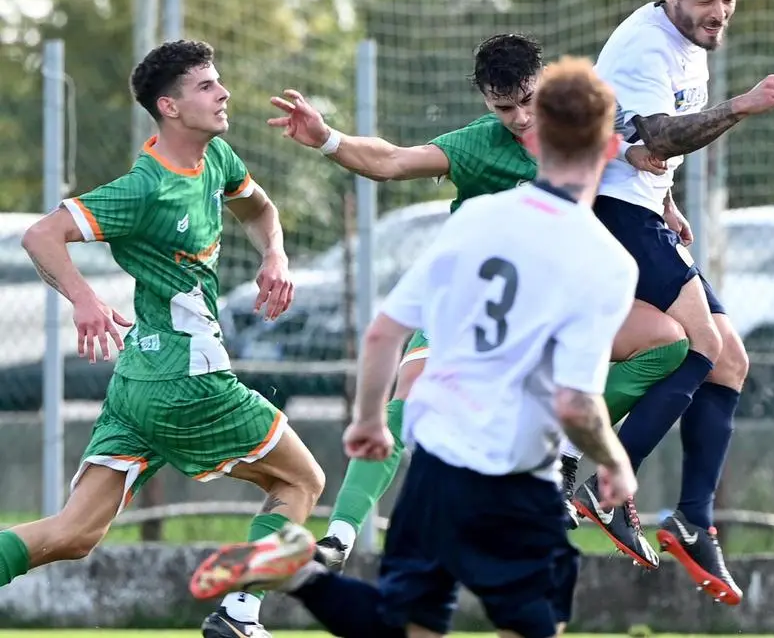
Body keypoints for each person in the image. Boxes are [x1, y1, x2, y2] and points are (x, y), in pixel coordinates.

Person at [190, 59, 641, 638]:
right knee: (532, 627)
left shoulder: (474, 217)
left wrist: (370, 422)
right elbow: (578, 406)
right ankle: (300, 572)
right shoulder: (608, 262)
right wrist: (614, 464)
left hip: (437, 468)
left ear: (538, 137)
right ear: (607, 150)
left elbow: (384, 330)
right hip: (516, 478)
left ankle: (299, 574)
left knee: (402, 623)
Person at [268, 33, 687, 569]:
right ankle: (342, 535)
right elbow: (393, 160)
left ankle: (558, 465)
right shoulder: (478, 149)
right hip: (478, 306)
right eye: (503, 107)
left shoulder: (580, 126)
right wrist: (329, 139)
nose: (518, 118)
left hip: (549, 311)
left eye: (527, 102)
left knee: (668, 344)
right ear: (487, 103)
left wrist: (666, 207)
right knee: (407, 398)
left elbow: (630, 164)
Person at [7, 40, 326, 638]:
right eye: (206, 86)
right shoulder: (143, 188)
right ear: (169, 107)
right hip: (189, 380)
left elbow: (260, 210)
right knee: (302, 481)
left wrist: (275, 257)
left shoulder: (219, 159)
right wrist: (84, 299)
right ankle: (239, 614)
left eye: (218, 81)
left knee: (73, 534)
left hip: (139, 384)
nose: (223, 92)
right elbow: (41, 236)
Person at [567, 0, 774, 604]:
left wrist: (667, 200)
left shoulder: (687, 42)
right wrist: (741, 105)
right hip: (609, 215)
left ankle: (693, 518)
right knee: (698, 347)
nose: (718, 13)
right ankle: (604, 484)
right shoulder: (644, 42)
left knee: (731, 360)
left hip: (641, 210)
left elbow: (652, 149)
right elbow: (652, 136)